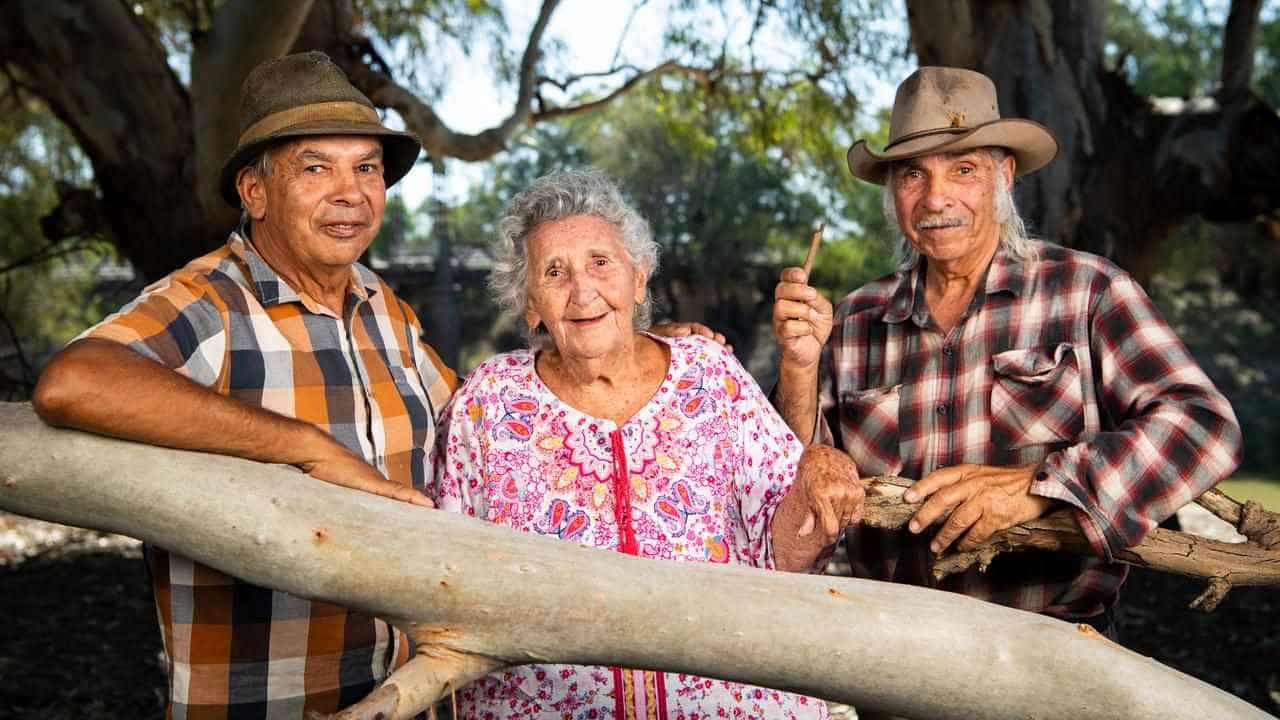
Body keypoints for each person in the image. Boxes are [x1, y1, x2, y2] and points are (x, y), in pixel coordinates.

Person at [32, 52, 457, 719]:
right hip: (263, 705)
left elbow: (476, 423)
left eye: (366, 168)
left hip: (404, 697)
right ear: (254, 193)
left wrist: (643, 349)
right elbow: (71, 382)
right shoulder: (210, 305)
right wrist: (305, 447)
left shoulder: (384, 306)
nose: (351, 192)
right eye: (316, 167)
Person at [771, 67, 1242, 635]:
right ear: (893, 192)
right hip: (891, 654)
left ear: (1005, 176)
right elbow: (785, 480)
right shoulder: (852, 321)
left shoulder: (1088, 292)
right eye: (913, 174)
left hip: (1054, 652)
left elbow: (1203, 427)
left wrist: (1041, 487)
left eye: (963, 170)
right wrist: (798, 370)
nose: (935, 198)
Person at [431, 168, 863, 719]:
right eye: (555, 272)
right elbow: (455, 573)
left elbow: (783, 551)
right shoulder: (487, 401)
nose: (583, 291)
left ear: (639, 280)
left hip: (729, 703)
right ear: (529, 304)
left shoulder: (711, 373)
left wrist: (817, 474)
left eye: (601, 263)